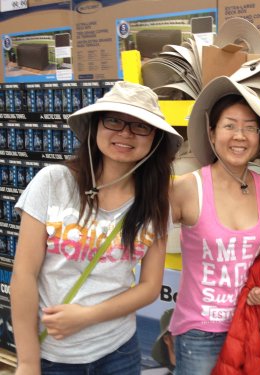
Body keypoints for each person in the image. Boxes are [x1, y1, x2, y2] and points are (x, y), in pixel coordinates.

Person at [10, 81, 183, 375]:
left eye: (141, 126)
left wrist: (87, 316)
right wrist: (27, 362)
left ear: (154, 139)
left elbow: (150, 287)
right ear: (95, 125)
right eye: (114, 119)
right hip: (54, 356)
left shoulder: (155, 202)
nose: (125, 133)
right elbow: (24, 274)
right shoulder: (53, 182)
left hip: (119, 351)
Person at [169, 76, 260, 375]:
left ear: (259, 136)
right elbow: (143, 238)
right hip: (199, 332)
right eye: (229, 125)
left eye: (249, 128)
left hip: (251, 324)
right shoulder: (186, 188)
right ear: (211, 132)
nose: (239, 136)